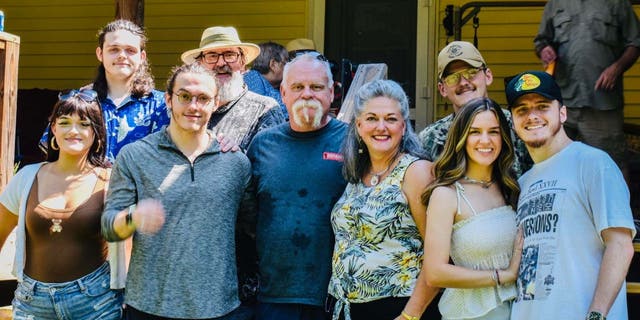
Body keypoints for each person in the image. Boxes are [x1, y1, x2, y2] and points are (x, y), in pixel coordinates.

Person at [101, 63, 251, 319]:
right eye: (184, 96)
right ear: (169, 99)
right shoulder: (135, 156)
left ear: (215, 103)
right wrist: (133, 217)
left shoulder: (236, 163)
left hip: (219, 307)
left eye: (203, 98)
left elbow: (249, 228)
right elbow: (107, 227)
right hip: (149, 306)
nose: (193, 106)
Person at [505, 71, 636, 320]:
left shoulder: (593, 163)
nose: (532, 116)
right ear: (513, 122)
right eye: (522, 110)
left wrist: (596, 316)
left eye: (542, 107)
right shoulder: (523, 183)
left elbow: (620, 246)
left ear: (562, 113)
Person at [241, 52, 347, 320]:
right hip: (274, 294)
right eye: (298, 87)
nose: (307, 94)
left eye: (317, 87)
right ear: (284, 94)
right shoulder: (263, 145)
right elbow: (248, 215)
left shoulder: (353, 142)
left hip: (336, 294)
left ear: (332, 93)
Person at [0, 89, 124, 319]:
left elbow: (130, 244)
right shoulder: (26, 177)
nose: (73, 131)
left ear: (96, 132)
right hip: (32, 304)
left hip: (96, 303)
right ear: (53, 129)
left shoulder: (112, 182)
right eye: (64, 122)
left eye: (84, 124)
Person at [327, 79, 439, 320]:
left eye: (390, 119)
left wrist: (411, 315)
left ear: (403, 126)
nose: (381, 127)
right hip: (345, 308)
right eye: (371, 118)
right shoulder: (357, 175)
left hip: (399, 308)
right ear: (358, 125)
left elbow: (438, 255)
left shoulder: (417, 172)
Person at [421, 97, 522, 320]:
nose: (485, 140)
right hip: (471, 314)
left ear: (503, 137)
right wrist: (503, 276)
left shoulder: (512, 188)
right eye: (475, 132)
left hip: (519, 310)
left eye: (493, 132)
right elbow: (435, 273)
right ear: (461, 137)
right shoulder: (447, 195)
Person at [39, 19, 169, 163]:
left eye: (130, 50)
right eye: (114, 49)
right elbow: (53, 152)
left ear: (142, 57)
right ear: (100, 54)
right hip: (83, 184)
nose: (122, 55)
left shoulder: (162, 104)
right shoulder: (78, 101)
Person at [534, 0, 640, 177]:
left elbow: (635, 43)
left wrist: (617, 68)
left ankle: (616, 206)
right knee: (555, 164)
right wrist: (544, 50)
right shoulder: (555, 3)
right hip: (562, 103)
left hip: (602, 104)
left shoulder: (617, 3)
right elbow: (541, 41)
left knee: (611, 167)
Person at [417, 41, 531, 176]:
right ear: (442, 89)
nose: (463, 82)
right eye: (453, 77)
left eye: (471, 72)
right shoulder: (430, 139)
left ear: (488, 76)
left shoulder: (516, 126)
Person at [181, 26, 286, 151]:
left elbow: (271, 166)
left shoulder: (265, 110)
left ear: (243, 63)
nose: (221, 63)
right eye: (212, 56)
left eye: (229, 55)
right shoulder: (184, 109)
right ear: (200, 64)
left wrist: (237, 155)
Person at [244, 41, 288, 119]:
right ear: (273, 64)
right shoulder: (252, 78)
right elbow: (261, 112)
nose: (288, 68)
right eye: (285, 63)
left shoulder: (278, 84)